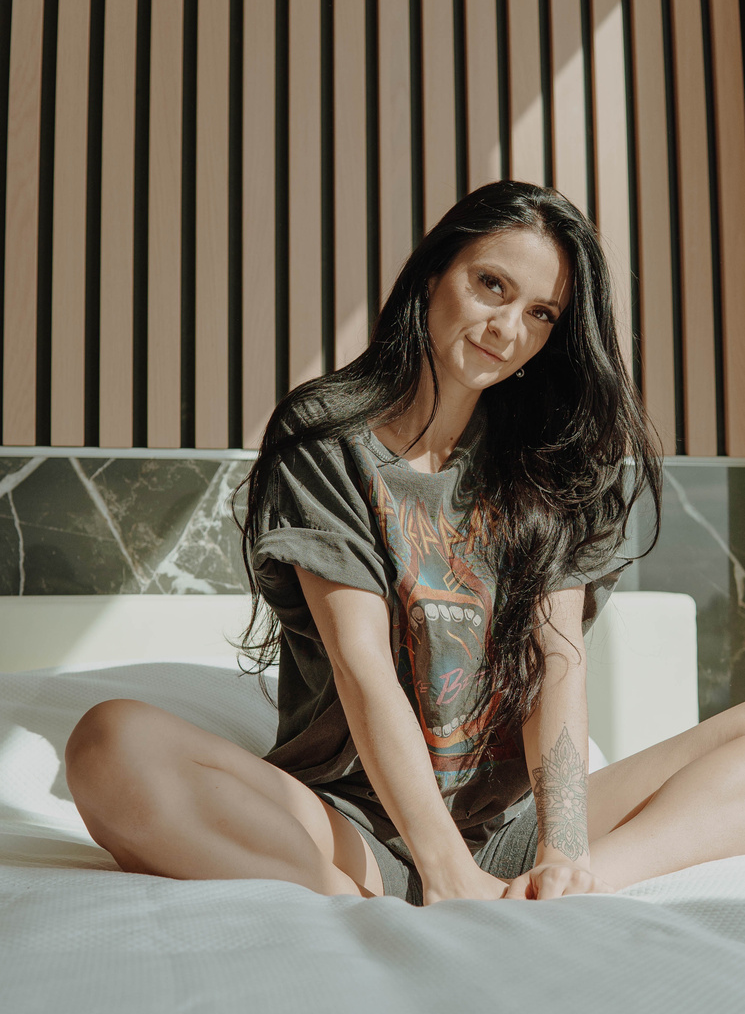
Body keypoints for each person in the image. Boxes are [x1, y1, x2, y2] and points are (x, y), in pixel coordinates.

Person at [66, 180, 745, 906]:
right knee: (109, 742)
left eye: (540, 313)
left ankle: (559, 898)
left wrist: (564, 854)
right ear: (432, 274)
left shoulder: (551, 463)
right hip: (353, 824)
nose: (506, 328)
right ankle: (357, 902)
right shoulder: (328, 438)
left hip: (513, 829)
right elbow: (360, 664)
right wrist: (444, 869)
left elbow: (557, 663)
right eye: (491, 285)